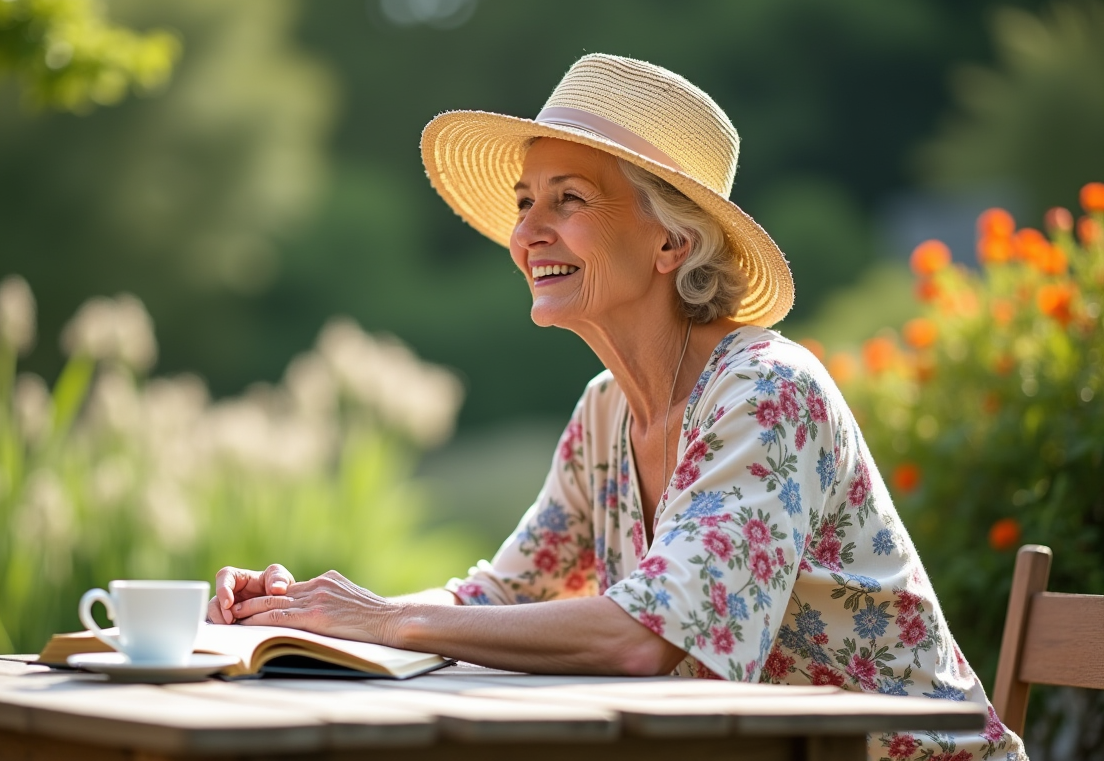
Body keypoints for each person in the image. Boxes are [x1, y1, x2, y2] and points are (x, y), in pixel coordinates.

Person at [206, 54, 1024, 761]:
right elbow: (498, 600)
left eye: (569, 199)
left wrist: (388, 623)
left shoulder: (770, 392)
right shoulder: (605, 414)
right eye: (526, 201)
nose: (529, 231)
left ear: (672, 242)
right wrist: (303, 615)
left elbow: (643, 636)